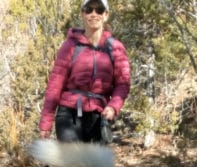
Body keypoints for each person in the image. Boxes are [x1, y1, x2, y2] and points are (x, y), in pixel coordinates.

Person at [39, 0, 131, 147]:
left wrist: (113, 107)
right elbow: (55, 85)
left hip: (99, 117)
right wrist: (46, 121)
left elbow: (123, 83)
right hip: (68, 114)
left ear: (106, 15)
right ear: (83, 13)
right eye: (89, 9)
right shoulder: (70, 45)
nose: (94, 14)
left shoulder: (116, 48)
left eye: (99, 10)